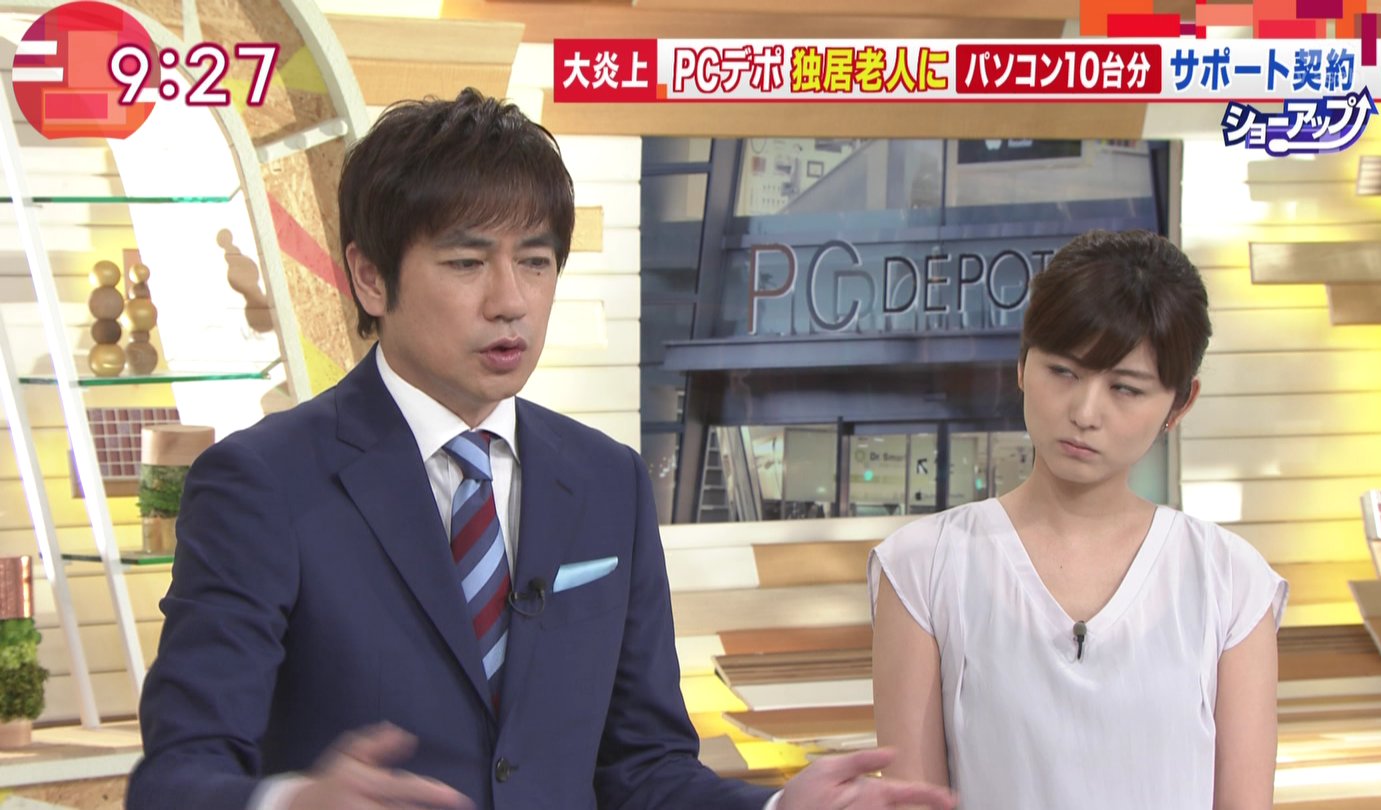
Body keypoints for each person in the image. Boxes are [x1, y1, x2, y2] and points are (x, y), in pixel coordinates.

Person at [127, 88, 955, 810]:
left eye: (535, 261)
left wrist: (773, 807)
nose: (511, 301)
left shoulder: (605, 481)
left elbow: (643, 768)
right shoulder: (263, 483)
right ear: (371, 277)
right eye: (466, 262)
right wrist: (287, 804)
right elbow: (176, 776)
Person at [869, 230, 1288, 810]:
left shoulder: (1230, 579)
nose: (1085, 412)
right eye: (1063, 372)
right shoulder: (923, 566)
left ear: (1180, 403)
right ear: (1022, 365)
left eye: (1125, 388)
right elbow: (915, 801)